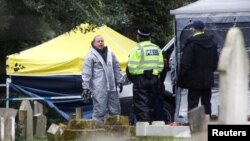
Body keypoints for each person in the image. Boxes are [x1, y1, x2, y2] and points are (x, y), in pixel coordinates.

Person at [177, 20, 218, 116]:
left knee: (193, 104)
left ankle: (194, 127)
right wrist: (209, 71)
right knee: (206, 103)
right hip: (207, 78)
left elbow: (185, 63)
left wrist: (182, 75)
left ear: (193, 29)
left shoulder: (191, 44)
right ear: (204, 29)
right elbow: (215, 62)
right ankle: (207, 125)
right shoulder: (212, 43)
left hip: (193, 80)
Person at [81, 35, 123, 123]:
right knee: (99, 111)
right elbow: (86, 73)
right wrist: (86, 87)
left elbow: (116, 67)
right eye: (98, 41)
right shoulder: (90, 56)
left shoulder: (110, 53)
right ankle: (98, 134)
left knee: (115, 110)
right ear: (93, 43)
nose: (101, 43)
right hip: (99, 88)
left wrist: (120, 81)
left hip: (112, 86)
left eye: (102, 41)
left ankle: (116, 133)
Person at [126, 25, 164, 123]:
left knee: (141, 104)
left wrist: (136, 77)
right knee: (154, 102)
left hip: (141, 79)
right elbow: (161, 66)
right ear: (149, 37)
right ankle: (156, 125)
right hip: (154, 79)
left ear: (139, 36)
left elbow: (131, 68)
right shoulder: (157, 48)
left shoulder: (137, 49)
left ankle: (145, 127)